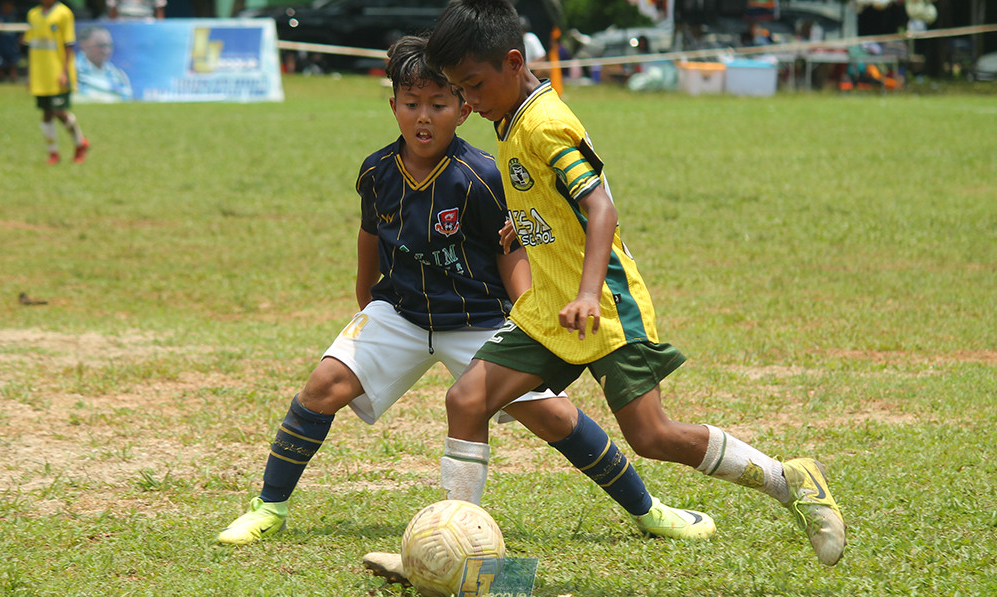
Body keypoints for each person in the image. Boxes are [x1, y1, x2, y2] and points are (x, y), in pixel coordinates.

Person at [216, 35, 715, 554]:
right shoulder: (376, 171)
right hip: (402, 314)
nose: (423, 117)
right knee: (322, 386)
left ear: (462, 108)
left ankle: (648, 509)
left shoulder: (481, 177)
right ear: (394, 107)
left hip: (478, 320)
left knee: (554, 416)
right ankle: (268, 508)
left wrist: (527, 315)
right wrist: (366, 297)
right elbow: (370, 234)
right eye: (411, 105)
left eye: (439, 104)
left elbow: (513, 250)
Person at [425, 0, 846, 566]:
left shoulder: (547, 123)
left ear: (511, 61)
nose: (467, 104)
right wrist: (523, 221)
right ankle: (462, 556)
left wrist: (585, 292)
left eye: (472, 87)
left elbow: (601, 208)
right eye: (459, 90)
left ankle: (787, 479)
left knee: (652, 436)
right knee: (466, 399)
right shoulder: (509, 116)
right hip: (549, 307)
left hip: (603, 304)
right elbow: (551, 196)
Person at [24, 0, 89, 164]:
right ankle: (53, 153)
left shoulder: (63, 13)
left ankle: (80, 143)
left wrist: (64, 71)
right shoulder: (33, 14)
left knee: (59, 111)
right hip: (41, 75)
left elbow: (69, 44)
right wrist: (30, 73)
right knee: (46, 113)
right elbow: (32, 45)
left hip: (58, 73)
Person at [76, 25, 133, 101]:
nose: (106, 50)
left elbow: (128, 101)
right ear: (83, 45)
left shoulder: (118, 75)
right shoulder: (71, 72)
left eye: (109, 46)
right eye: (101, 46)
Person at [0, 0, 21, 83]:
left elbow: (21, 31)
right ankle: (0, 80)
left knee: (13, 63)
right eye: (5, 4)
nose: (7, 6)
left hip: (12, 44)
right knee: (0, 64)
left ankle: (13, 79)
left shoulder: (15, 17)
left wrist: (20, 41)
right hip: (0, 44)